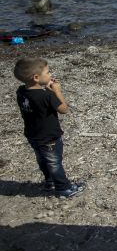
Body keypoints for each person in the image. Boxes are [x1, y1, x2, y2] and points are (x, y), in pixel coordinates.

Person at [13, 57, 86, 197]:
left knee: (42, 159)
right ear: (36, 77)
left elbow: (36, 100)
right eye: (48, 72)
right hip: (49, 137)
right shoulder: (46, 96)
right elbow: (64, 109)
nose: (51, 74)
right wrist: (57, 91)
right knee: (54, 162)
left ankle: (49, 181)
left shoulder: (21, 91)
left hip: (32, 134)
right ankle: (63, 188)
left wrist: (46, 89)